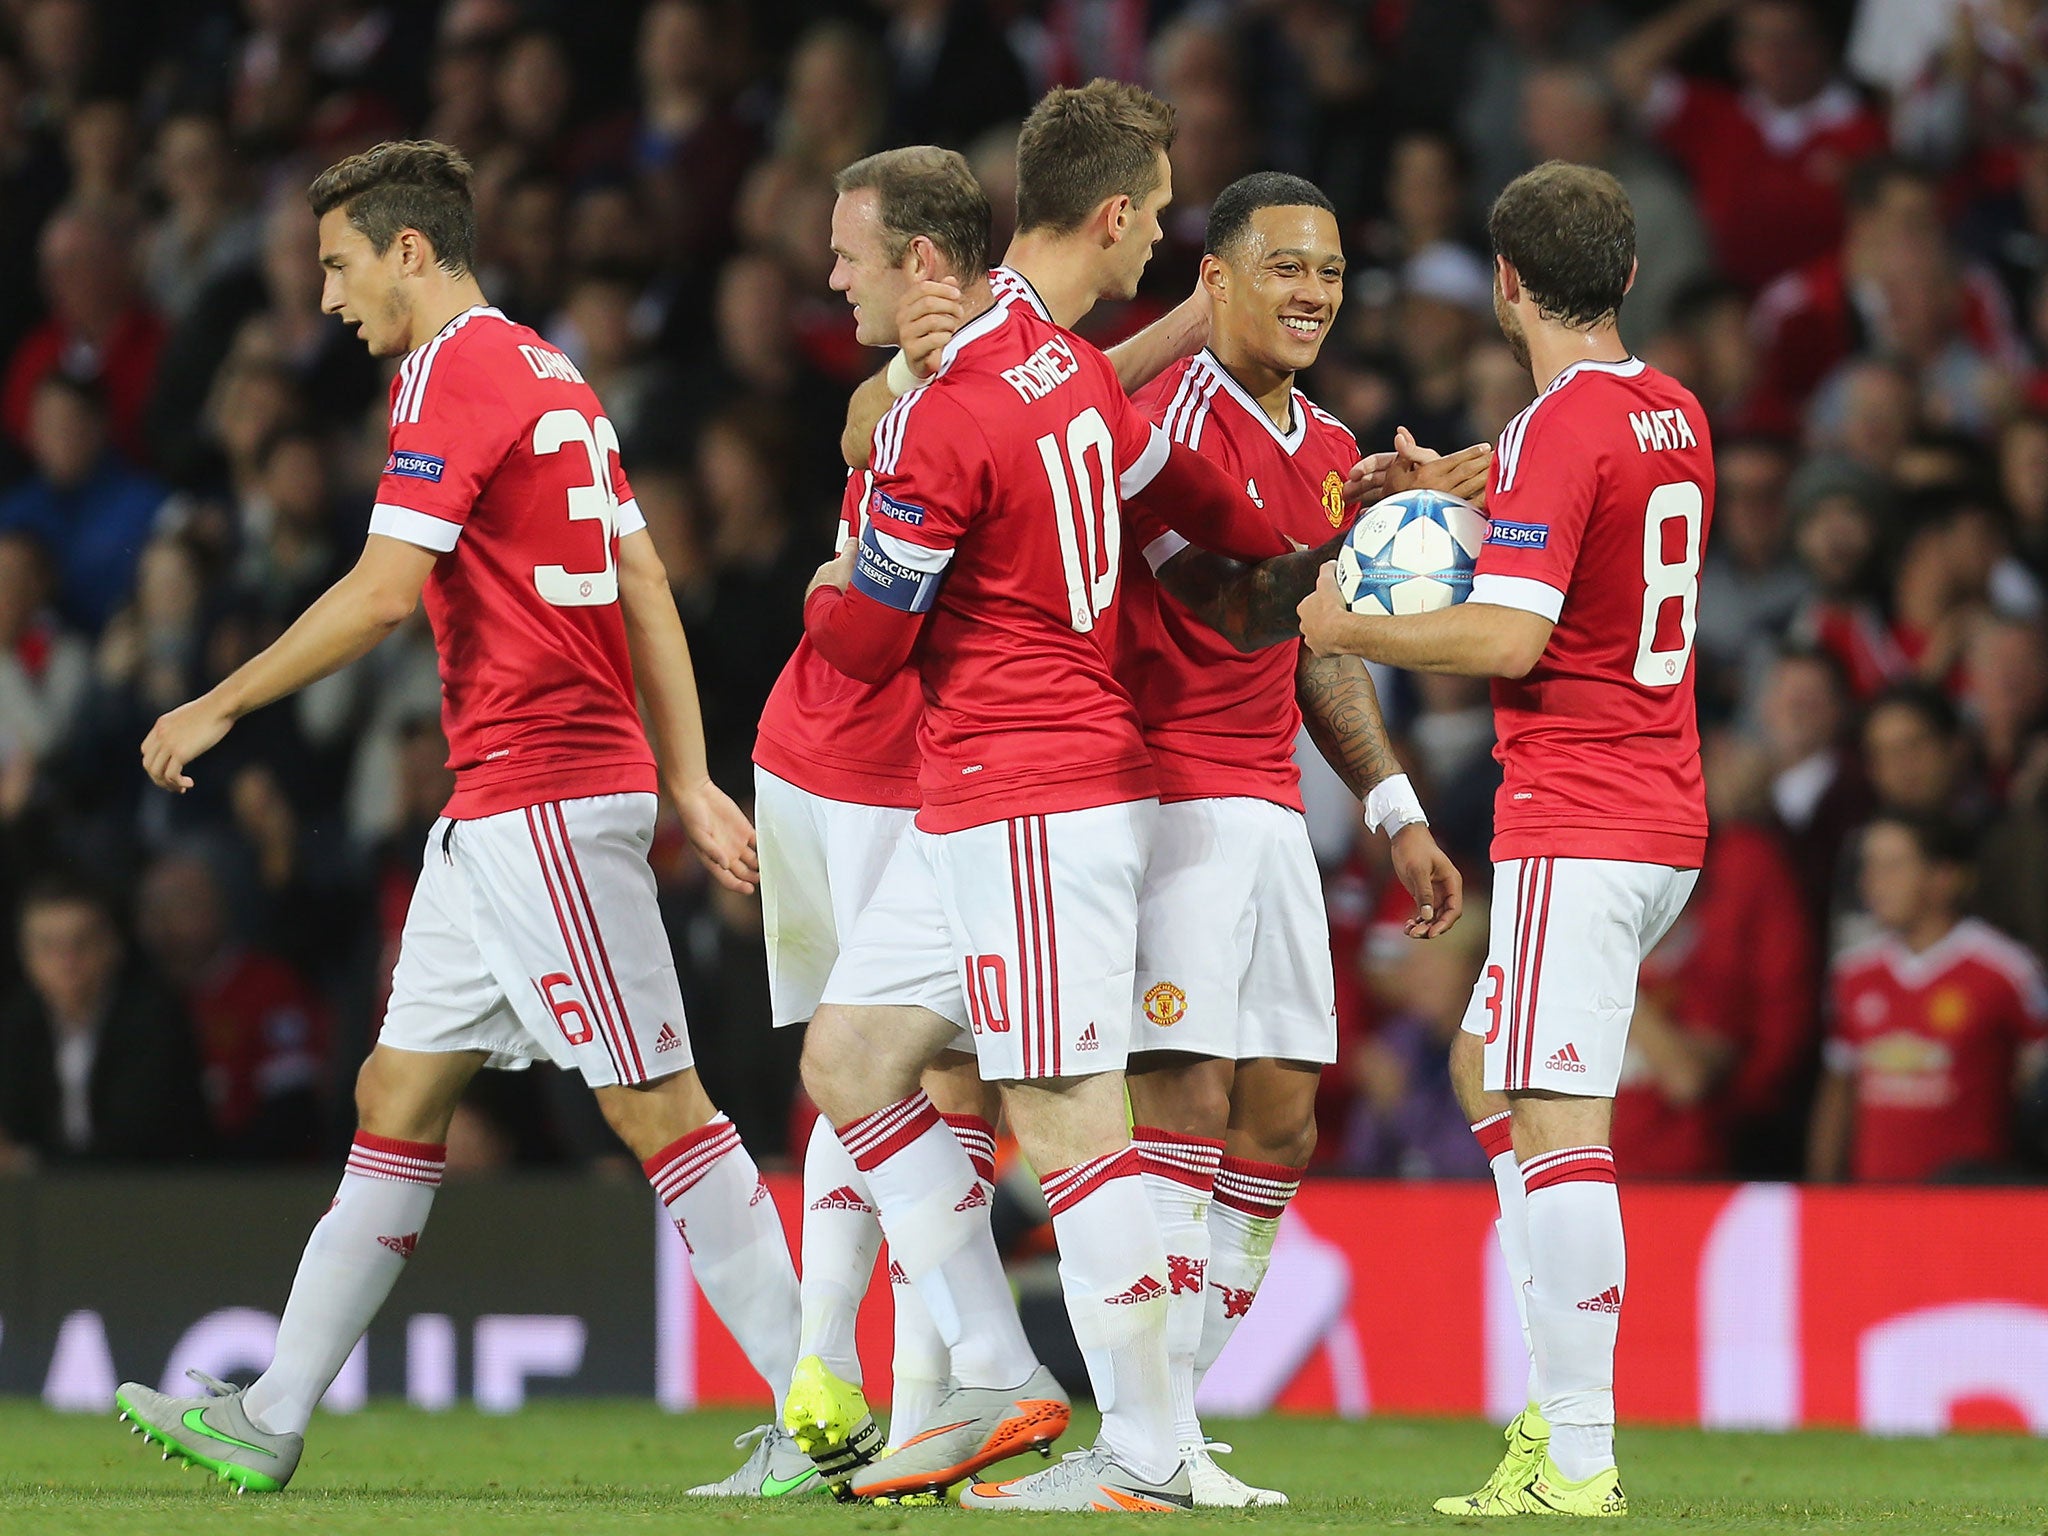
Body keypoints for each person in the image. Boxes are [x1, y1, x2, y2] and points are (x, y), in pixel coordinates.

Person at [111, 140, 805, 1498]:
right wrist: (686, 776)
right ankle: (273, 1413)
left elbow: (381, 592)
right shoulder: (552, 369)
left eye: (338, 264)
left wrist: (218, 702)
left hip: (541, 793)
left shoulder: (451, 371)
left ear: (411, 251)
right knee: (398, 1091)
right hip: (504, 805)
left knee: (660, 1109)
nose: (325, 299)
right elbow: (644, 578)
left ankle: (822, 1410)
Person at [795, 80, 1306, 1513]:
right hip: (994, 804)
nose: (1161, 239)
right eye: (1156, 213)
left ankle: (1147, 1453)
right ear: (1113, 213)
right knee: (848, 1062)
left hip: (1030, 792)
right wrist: (1320, 518)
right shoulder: (1070, 373)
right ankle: (1001, 1371)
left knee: (1066, 1109)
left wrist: (825, 594)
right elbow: (1196, 497)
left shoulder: (962, 396)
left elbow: (874, 640)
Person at [1298, 161, 1714, 1517]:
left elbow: (1513, 635)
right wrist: (1463, 481)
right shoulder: (1674, 415)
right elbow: (1572, 500)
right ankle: (1560, 1401)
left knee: (1557, 1116)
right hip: (1661, 815)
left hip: (1579, 813)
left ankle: (1576, 1456)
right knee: (1488, 1061)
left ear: (1506, 286)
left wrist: (1347, 630)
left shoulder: (1555, 434)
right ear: (1630, 281)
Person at [1119, 170, 1464, 1507]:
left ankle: (1158, 1423)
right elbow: (1229, 605)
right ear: (1216, 278)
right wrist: (1357, 546)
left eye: (1328, 269)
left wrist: (1394, 809)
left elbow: (1316, 654)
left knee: (1281, 1124)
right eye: (1284, 267)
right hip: (1165, 801)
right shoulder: (1155, 429)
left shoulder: (1327, 446)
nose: (1314, 290)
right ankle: (1149, 1442)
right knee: (1189, 1103)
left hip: (1267, 812)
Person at [753, 145, 1040, 1494]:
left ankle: (915, 1396)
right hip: (837, 755)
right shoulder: (930, 377)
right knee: (864, 1064)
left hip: (893, 764)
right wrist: (907, 379)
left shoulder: (1010, 357)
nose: (827, 275)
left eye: (846, 254)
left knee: (904, 1073)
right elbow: (865, 425)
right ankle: (838, 1376)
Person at [1809, 813, 2048, 1183]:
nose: (1872, 882)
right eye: (1868, 865)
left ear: (1943, 878)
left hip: (1970, 1209)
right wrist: (1821, 1190)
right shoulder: (1854, 973)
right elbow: (1840, 1090)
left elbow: (2037, 1081)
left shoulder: (2006, 970)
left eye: (1892, 866)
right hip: (1874, 1205)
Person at [0, 872, 209, 1167]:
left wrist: (32, 1163)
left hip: (157, 1199)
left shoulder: (154, 1019)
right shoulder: (15, 1024)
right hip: (43, 1203)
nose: (66, 961)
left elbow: (136, 1142)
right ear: (26, 956)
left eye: (81, 942)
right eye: (48, 945)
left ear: (114, 946)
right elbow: (13, 1124)